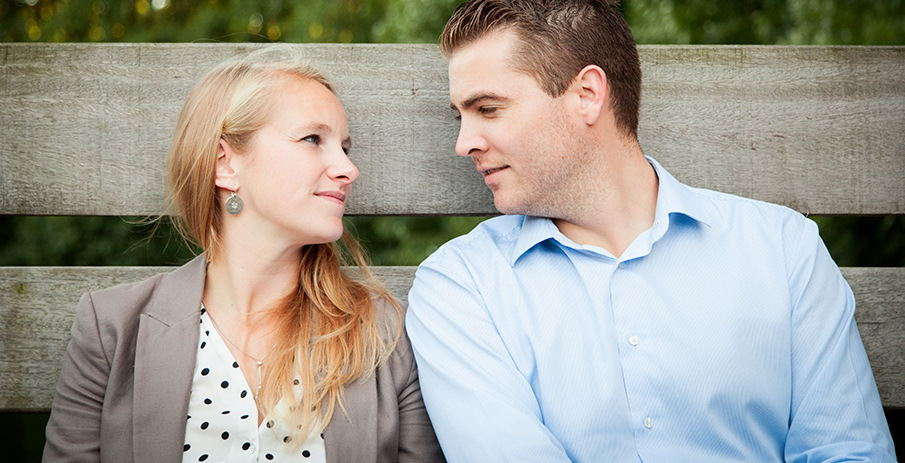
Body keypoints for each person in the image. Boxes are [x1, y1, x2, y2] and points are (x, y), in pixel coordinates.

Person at [404, 0, 897, 461]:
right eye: (461, 116)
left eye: (487, 109)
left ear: (587, 95)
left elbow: (850, 450)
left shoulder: (784, 250)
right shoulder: (461, 286)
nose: (464, 143)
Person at [43, 47, 445, 463]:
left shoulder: (383, 332)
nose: (347, 168)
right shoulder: (111, 329)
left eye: (345, 147)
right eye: (313, 139)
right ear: (225, 164)